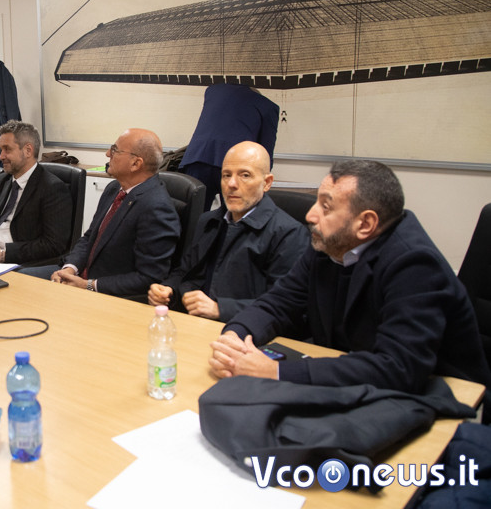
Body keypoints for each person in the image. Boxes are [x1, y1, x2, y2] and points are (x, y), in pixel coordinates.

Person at [209, 159, 491, 396]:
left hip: (444, 399)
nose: (310, 215)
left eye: (326, 207)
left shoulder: (415, 265)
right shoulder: (328, 246)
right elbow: (277, 304)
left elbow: (398, 367)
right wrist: (235, 336)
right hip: (352, 378)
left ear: (365, 223)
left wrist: (276, 371)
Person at [148, 141, 309, 320]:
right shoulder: (209, 221)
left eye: (245, 175)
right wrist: (168, 289)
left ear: (267, 183)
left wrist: (220, 309)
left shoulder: (289, 234)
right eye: (226, 175)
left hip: (243, 330)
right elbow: (185, 271)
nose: (231, 183)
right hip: (193, 321)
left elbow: (285, 305)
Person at [33, 128, 180, 299]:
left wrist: (88, 285)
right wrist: (69, 268)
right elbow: (90, 238)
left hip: (108, 294)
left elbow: (149, 278)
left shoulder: (157, 207)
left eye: (115, 150)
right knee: (18, 278)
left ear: (135, 164)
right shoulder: (114, 188)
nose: (108, 153)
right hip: (80, 276)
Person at [0, 120, 72, 267]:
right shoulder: (2, 180)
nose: (1, 156)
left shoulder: (52, 188)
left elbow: (53, 244)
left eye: (7, 149)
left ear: (28, 150)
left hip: (18, 262)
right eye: (0, 150)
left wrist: (3, 255)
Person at [178, 84, 279, 210]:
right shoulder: (268, 107)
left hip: (198, 158)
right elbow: (265, 153)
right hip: (234, 166)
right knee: (233, 214)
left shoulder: (213, 91)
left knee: (194, 214)